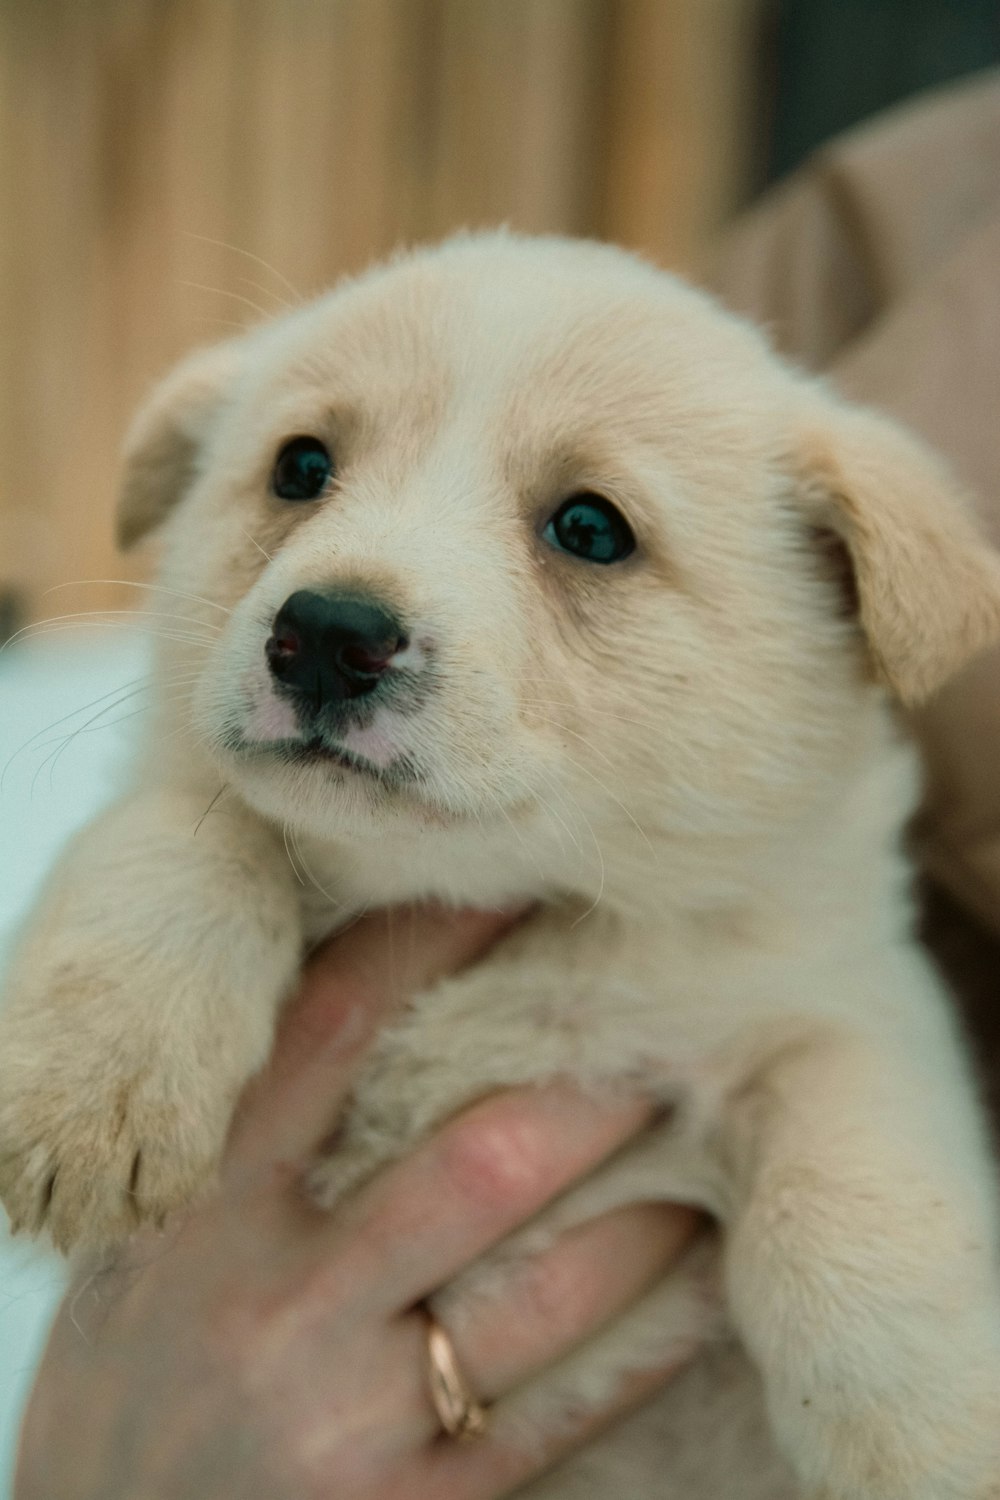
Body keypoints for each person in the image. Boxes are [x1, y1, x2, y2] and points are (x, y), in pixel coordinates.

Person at [15, 70, 1000, 1499]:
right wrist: (170, 897)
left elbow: (838, 1069)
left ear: (848, 601)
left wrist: (891, 1356)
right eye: (302, 467)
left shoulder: (785, 958)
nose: (344, 594)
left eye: (588, 529)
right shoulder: (198, 851)